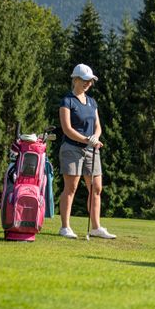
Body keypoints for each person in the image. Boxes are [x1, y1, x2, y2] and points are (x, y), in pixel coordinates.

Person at [58, 63, 116, 240]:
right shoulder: (67, 101)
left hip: (91, 149)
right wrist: (86, 140)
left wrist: (95, 138)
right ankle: (65, 227)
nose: (88, 83)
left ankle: (96, 228)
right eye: (84, 80)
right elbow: (67, 129)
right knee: (71, 187)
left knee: (96, 188)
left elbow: (97, 126)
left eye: (90, 81)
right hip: (71, 148)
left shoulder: (92, 102)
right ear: (75, 79)